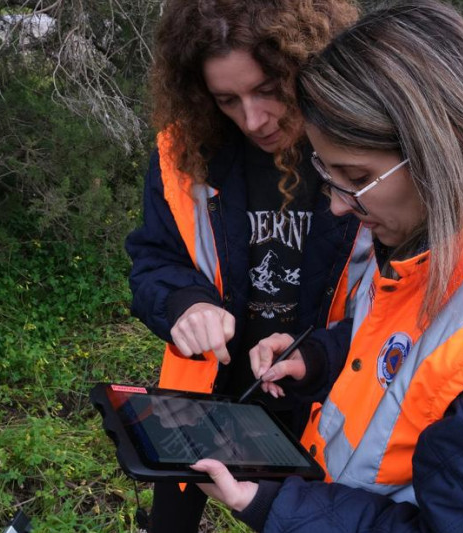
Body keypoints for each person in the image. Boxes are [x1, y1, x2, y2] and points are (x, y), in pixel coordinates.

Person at [190, 2, 463, 531]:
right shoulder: (439, 238)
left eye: (356, 176)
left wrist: (275, 506)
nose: (337, 205)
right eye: (327, 173)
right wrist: (321, 357)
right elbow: (415, 358)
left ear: (437, 151)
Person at [124, 0, 363, 531]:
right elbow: (153, 259)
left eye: (269, 91)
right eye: (226, 99)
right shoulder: (184, 153)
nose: (252, 120)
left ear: (309, 67)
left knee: (303, 518)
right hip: (205, 393)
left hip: (325, 394)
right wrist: (185, 303)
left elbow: (400, 296)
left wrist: (323, 354)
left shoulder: (362, 153)